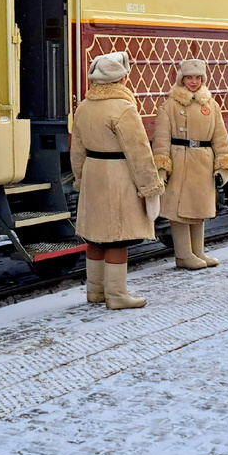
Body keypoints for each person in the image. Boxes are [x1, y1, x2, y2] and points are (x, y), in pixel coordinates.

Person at [70, 51, 164, 310]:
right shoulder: (123, 108)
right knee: (118, 237)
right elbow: (139, 151)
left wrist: (80, 178)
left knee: (96, 237)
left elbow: (76, 148)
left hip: (93, 172)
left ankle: (95, 291)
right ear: (122, 79)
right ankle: (117, 295)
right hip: (118, 174)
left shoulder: (85, 107)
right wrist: (150, 186)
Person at [151, 59, 228, 270]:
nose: (193, 82)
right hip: (180, 161)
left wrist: (223, 166)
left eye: (198, 78)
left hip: (202, 161)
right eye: (189, 77)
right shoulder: (170, 105)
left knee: (199, 209)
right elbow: (161, 139)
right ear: (182, 79)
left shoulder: (211, 105)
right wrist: (162, 167)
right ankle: (183, 255)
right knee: (180, 212)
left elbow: (220, 137)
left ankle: (197, 251)